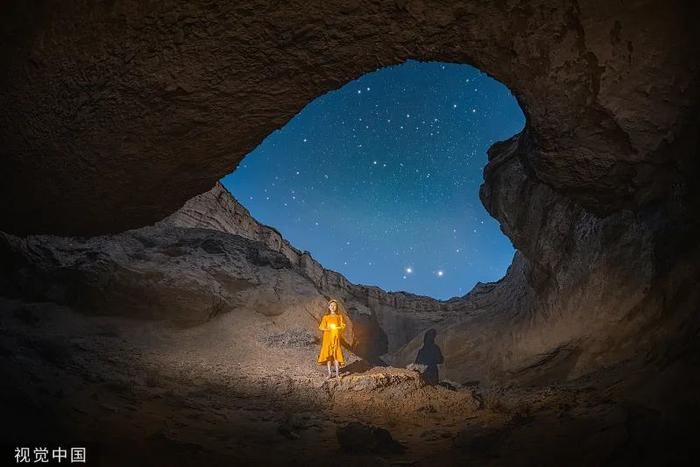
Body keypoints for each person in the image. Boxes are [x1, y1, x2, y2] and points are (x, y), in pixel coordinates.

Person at [317, 299, 346, 379]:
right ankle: (329, 374)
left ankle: (337, 374)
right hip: (327, 338)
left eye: (334, 306)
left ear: (336, 307)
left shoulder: (339, 316)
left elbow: (343, 326)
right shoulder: (326, 317)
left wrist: (337, 327)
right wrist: (328, 328)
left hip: (336, 337)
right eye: (331, 305)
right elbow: (321, 327)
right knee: (328, 356)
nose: (333, 307)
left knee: (336, 354)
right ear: (329, 307)